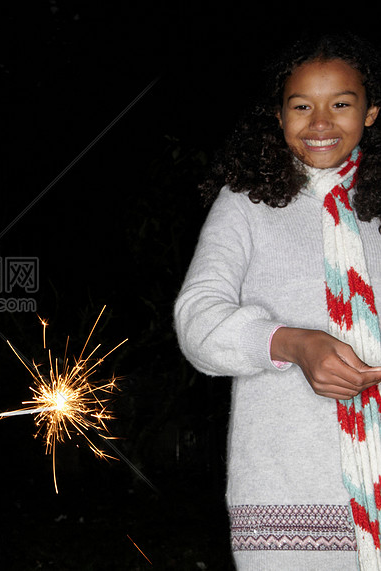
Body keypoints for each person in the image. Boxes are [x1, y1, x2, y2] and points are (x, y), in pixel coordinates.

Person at [174, 32, 381, 570]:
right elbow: (198, 319)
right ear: (278, 114)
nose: (320, 122)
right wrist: (292, 341)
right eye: (301, 106)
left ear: (371, 111)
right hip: (287, 487)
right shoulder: (247, 203)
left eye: (340, 103)